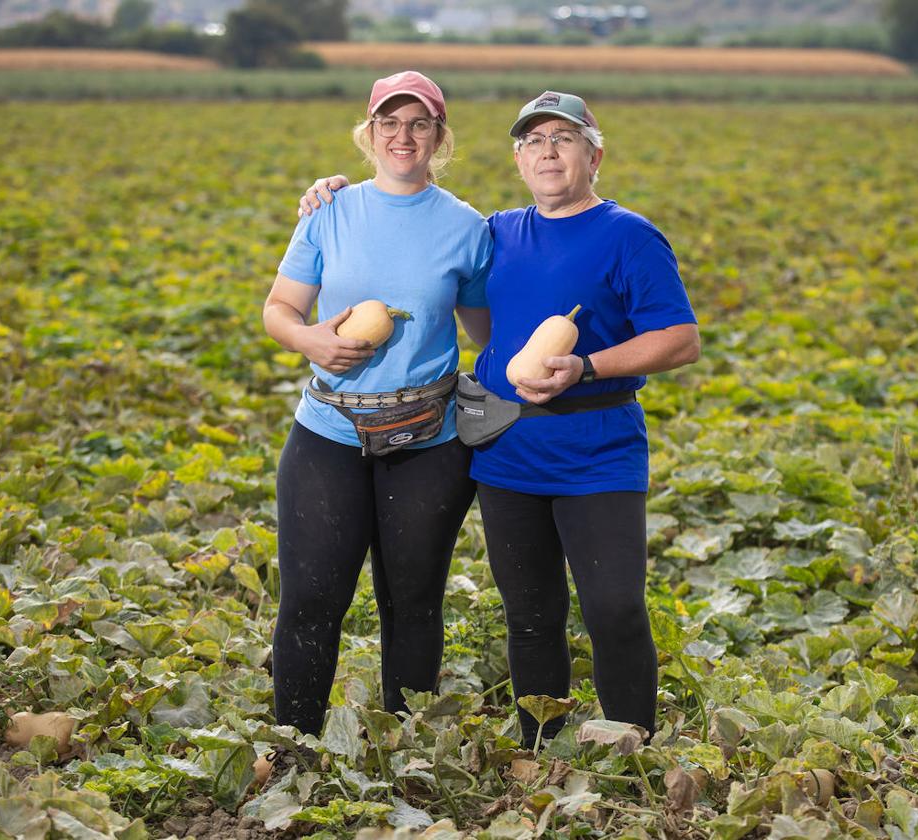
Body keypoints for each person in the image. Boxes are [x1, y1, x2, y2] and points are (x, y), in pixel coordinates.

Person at [299, 90, 699, 746]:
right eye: (534, 141)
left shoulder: (629, 235)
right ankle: (543, 747)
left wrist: (587, 367)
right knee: (531, 615)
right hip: (506, 447)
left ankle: (632, 744)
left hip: (598, 447)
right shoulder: (499, 233)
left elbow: (681, 338)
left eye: (563, 140)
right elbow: (411, 231)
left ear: (594, 155)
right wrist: (334, 188)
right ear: (517, 159)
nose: (548, 152)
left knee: (614, 608)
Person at [262, 70, 493, 739]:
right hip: (328, 434)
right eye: (389, 123)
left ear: (438, 137)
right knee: (310, 601)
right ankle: (292, 746)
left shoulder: (466, 228)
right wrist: (310, 340)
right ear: (369, 133)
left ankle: (408, 750)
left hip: (429, 442)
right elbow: (280, 309)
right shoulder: (329, 211)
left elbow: (486, 334)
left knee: (413, 602)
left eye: (419, 124)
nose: (403, 136)